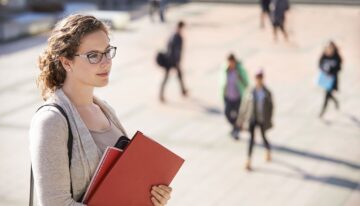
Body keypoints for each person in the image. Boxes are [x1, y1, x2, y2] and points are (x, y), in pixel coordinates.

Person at [29, 14, 172, 206]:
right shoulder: (51, 121)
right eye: (93, 55)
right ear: (66, 62)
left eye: (107, 51)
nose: (106, 62)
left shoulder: (105, 110)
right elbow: (55, 203)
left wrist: (151, 197)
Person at [245, 69, 273, 171]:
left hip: (262, 119)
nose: (258, 80)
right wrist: (241, 120)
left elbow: (270, 107)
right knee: (251, 140)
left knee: (263, 137)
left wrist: (269, 120)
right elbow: (244, 106)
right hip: (252, 118)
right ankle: (248, 160)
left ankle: (268, 150)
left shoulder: (266, 92)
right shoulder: (250, 91)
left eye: (260, 78)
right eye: (257, 78)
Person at [221, 54, 249, 140]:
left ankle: (236, 131)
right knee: (227, 113)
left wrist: (240, 78)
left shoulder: (239, 71)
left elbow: (245, 84)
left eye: (231, 62)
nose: (230, 64)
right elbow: (222, 83)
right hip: (228, 97)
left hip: (237, 98)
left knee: (238, 116)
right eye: (229, 62)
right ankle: (235, 127)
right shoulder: (226, 71)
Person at [159, 21, 188, 103]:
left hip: (171, 59)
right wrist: (176, 61)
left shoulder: (173, 35)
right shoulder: (177, 37)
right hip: (172, 61)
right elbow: (176, 51)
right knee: (168, 77)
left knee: (179, 75)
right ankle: (161, 94)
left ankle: (183, 90)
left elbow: (168, 46)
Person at [319, 41, 342, 118]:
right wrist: (324, 69)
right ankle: (336, 102)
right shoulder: (324, 56)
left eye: (330, 48)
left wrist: (331, 71)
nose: (329, 50)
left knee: (327, 94)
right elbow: (319, 64)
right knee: (328, 94)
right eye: (328, 48)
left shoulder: (336, 57)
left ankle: (323, 110)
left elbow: (339, 68)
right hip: (325, 78)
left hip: (333, 79)